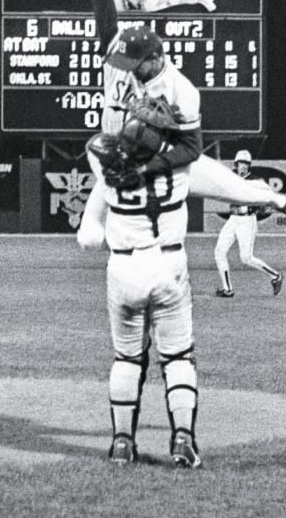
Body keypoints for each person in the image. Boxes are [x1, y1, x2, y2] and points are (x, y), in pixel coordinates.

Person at [77, 0, 286, 252]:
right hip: (119, 156)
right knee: (88, 238)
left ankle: (281, 201)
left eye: (131, 62)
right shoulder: (119, 50)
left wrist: (150, 165)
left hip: (166, 156)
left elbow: (189, 149)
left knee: (237, 189)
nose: (122, 66)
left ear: (154, 59)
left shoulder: (182, 92)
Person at [87, 119, 202, 468]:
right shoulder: (181, 172)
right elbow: (193, 152)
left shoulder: (108, 172)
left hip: (124, 268)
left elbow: (96, 144)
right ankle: (183, 439)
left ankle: (122, 444)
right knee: (178, 357)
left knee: (127, 358)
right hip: (167, 263)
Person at [213, 150, 284, 298]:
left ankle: (275, 276)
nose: (243, 166)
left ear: (248, 165)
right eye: (240, 163)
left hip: (247, 220)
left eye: (246, 164)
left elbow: (267, 197)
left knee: (246, 258)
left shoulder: (256, 181)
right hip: (233, 219)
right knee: (219, 252)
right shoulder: (231, 177)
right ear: (236, 164)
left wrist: (254, 206)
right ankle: (228, 289)